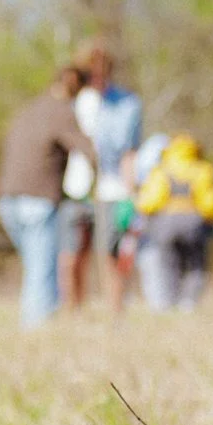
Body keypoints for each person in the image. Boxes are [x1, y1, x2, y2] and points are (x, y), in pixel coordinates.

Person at [0, 67, 96, 327]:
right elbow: (87, 150)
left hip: (8, 197)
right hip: (37, 198)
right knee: (41, 266)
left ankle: (33, 321)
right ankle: (37, 327)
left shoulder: (28, 110)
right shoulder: (61, 111)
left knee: (33, 264)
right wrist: (102, 178)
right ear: (74, 85)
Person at [64, 45, 145, 313]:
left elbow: (129, 152)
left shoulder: (127, 104)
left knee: (109, 253)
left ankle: (115, 312)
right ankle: (73, 310)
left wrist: (131, 195)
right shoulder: (71, 102)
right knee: (72, 253)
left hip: (111, 188)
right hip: (74, 187)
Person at [135, 134, 213, 310]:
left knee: (167, 263)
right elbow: (210, 201)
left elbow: (150, 200)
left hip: (165, 223)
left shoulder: (162, 169)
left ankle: (166, 302)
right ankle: (188, 302)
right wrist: (210, 218)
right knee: (194, 263)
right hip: (194, 222)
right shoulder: (202, 169)